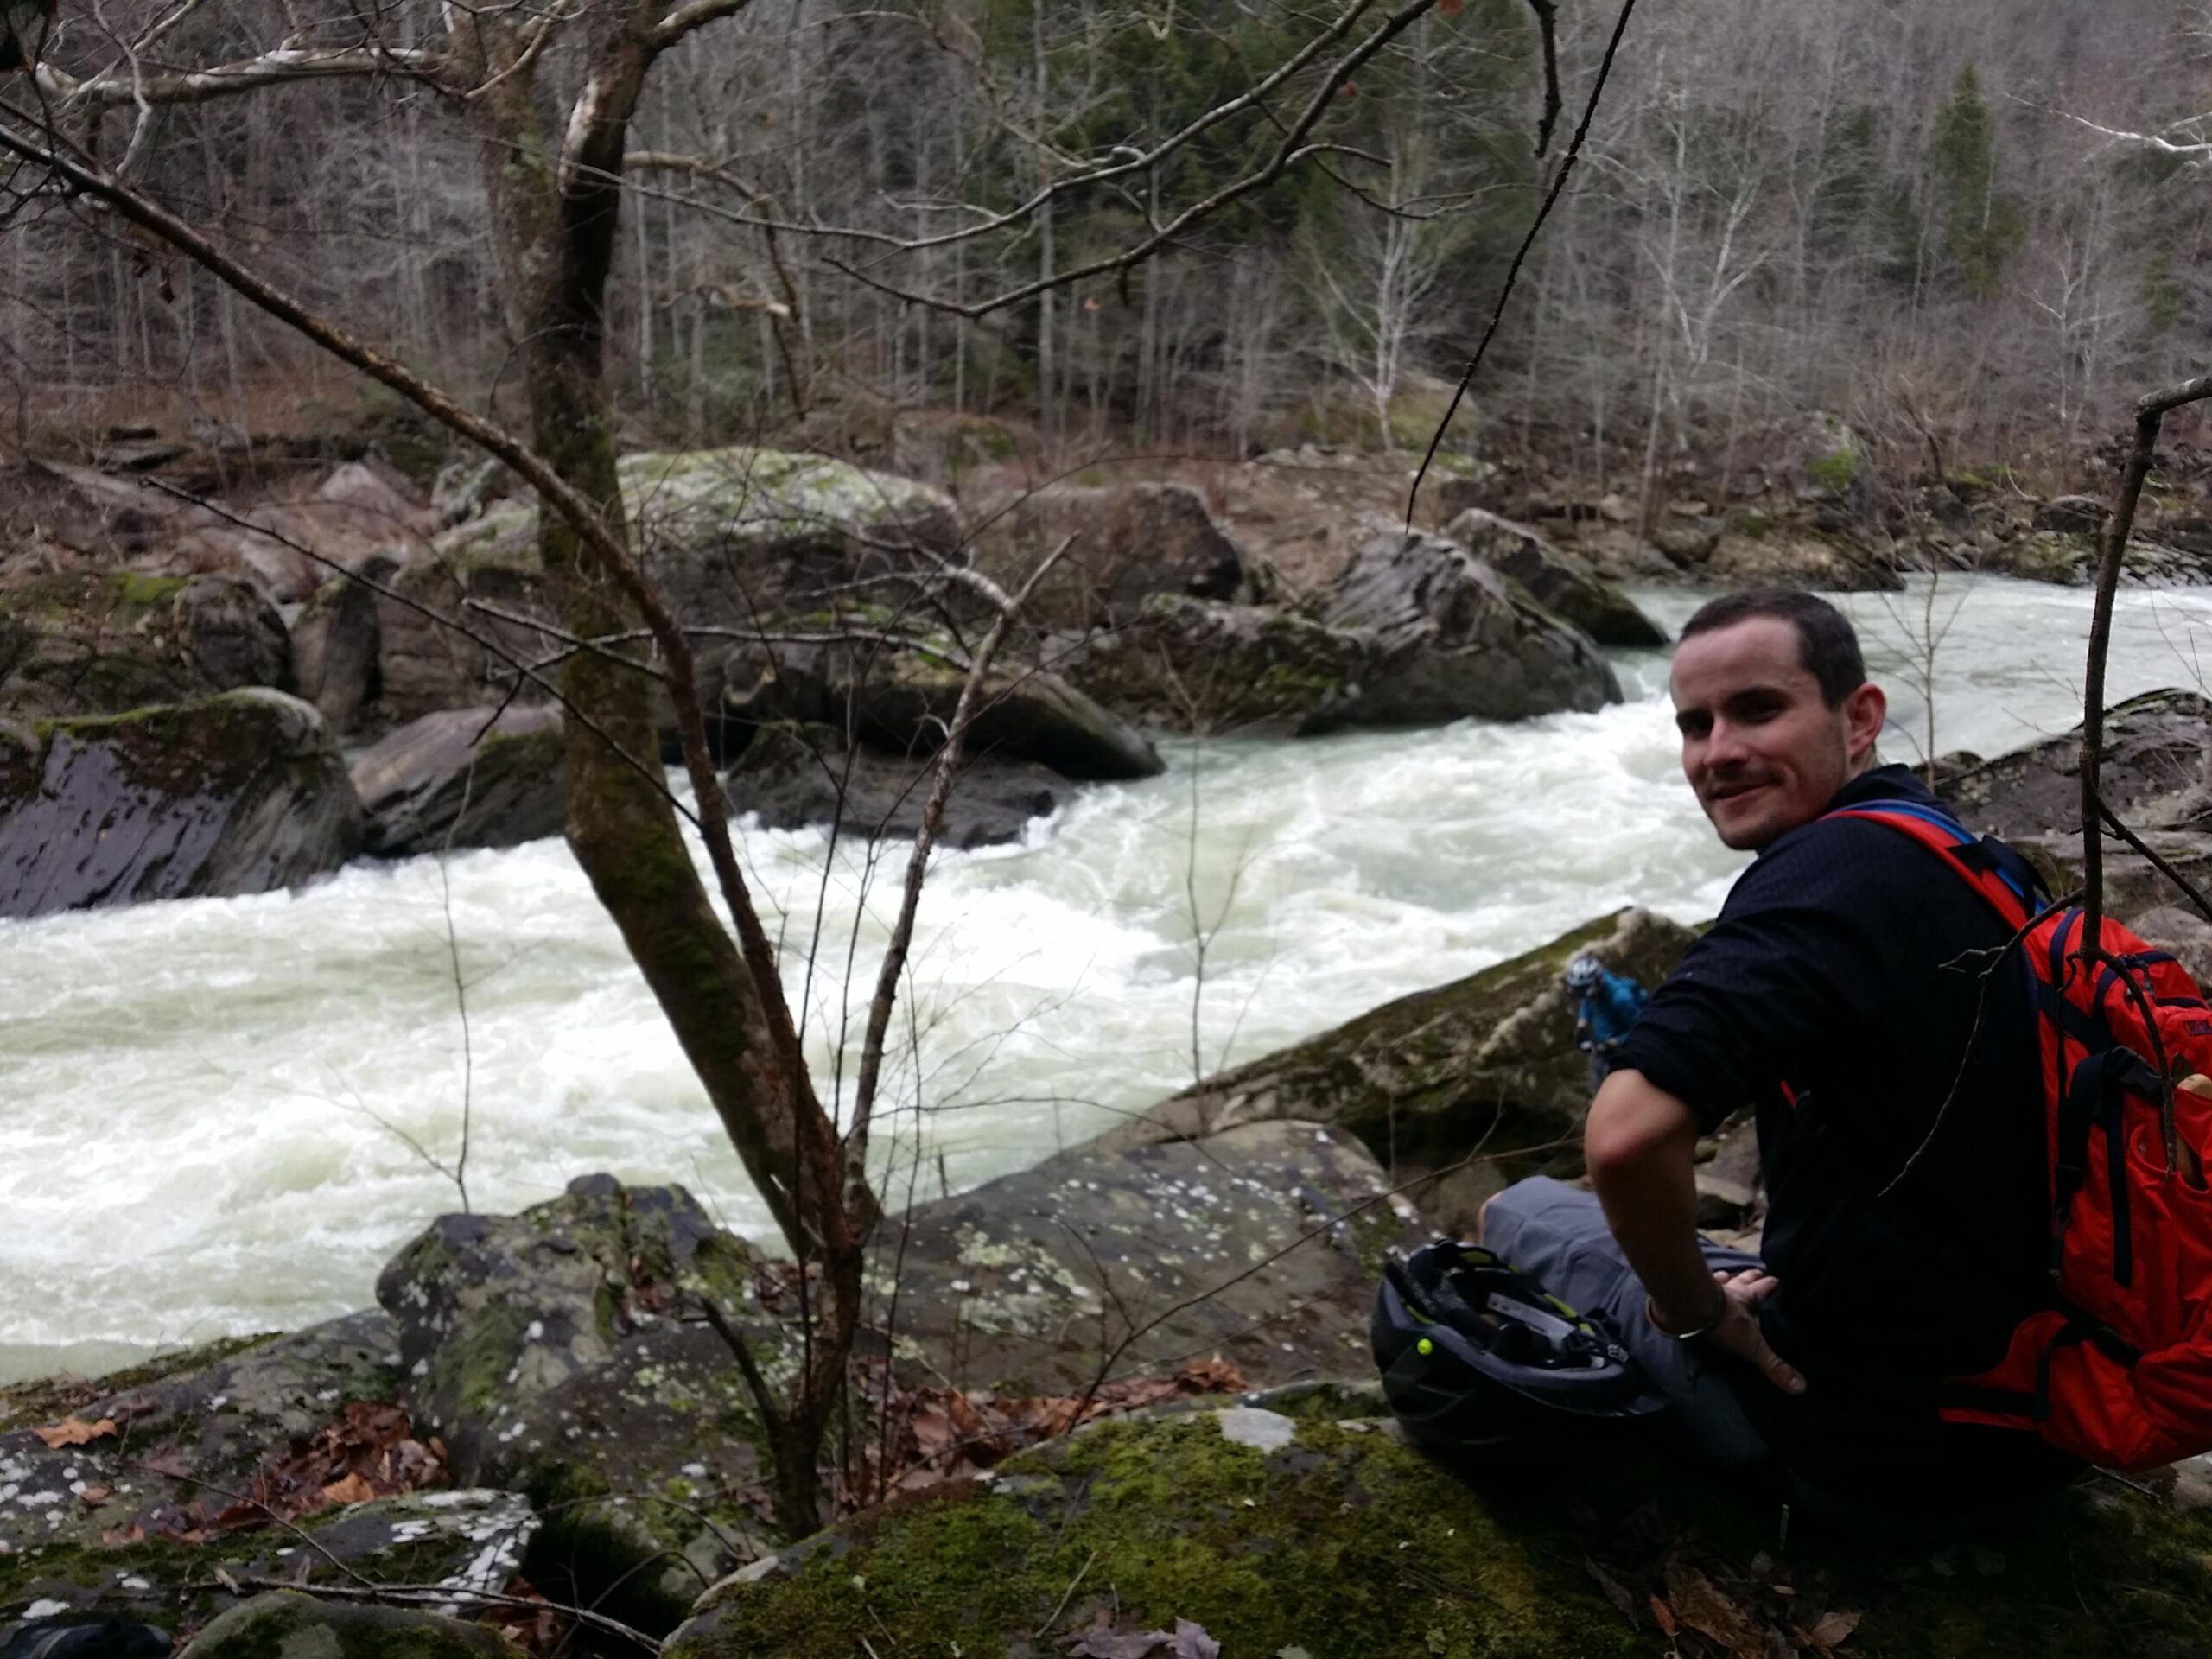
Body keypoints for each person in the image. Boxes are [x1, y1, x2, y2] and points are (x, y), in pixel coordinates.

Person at [1477, 588, 2082, 1517]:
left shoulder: (1820, 885)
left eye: (1758, 710)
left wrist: (1697, 1312)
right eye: (1694, 724)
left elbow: (1623, 1139)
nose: (1717, 753)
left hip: (1878, 1445)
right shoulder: (1961, 854)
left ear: (1858, 718)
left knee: (1518, 1211)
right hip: (2046, 1416)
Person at [1565, 953, 1649, 1090]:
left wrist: (1615, 1042)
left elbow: (1642, 1028)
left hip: (1625, 1054)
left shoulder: (1621, 999)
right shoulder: (1591, 988)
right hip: (1601, 1049)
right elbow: (1586, 1001)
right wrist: (1582, 1023)